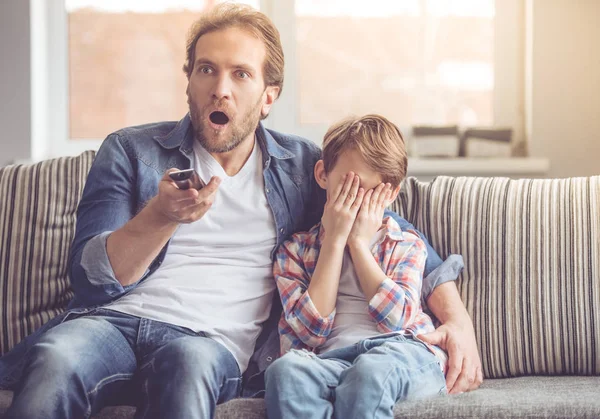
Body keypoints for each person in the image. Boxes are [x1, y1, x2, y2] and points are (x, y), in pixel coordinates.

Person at [0, 3, 481, 419]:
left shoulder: (298, 166)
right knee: (56, 358)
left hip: (207, 342)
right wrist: (159, 217)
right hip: (109, 324)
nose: (220, 88)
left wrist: (456, 321)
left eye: (241, 74)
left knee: (188, 368)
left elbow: (380, 223)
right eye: (206, 69)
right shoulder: (130, 151)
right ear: (188, 81)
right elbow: (91, 279)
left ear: (268, 97)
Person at [265, 115, 447, 419]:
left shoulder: (406, 244)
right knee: (285, 371)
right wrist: (336, 240)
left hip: (401, 352)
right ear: (323, 175)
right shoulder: (294, 252)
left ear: (390, 193)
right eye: (350, 187)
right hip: (329, 360)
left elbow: (396, 321)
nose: (359, 203)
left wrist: (359, 246)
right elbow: (309, 332)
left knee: (370, 372)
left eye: (373, 193)